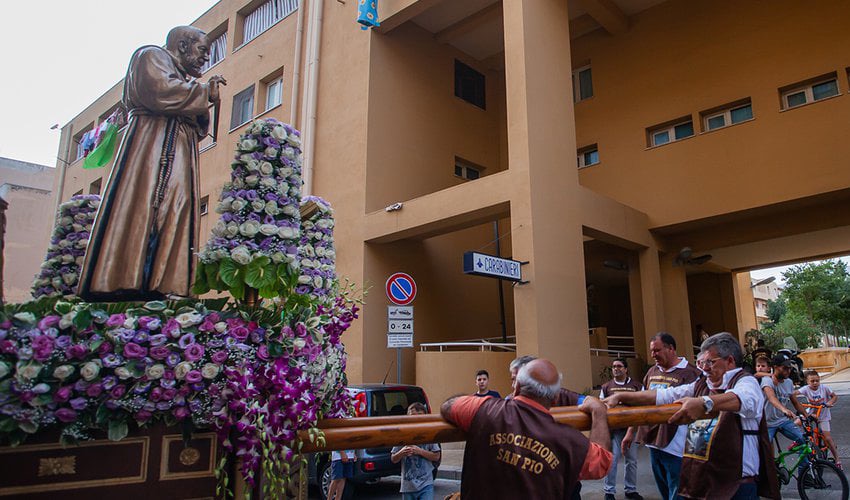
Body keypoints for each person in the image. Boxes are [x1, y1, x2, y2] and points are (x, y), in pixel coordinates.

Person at [78, 26, 227, 301]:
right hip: (151, 143)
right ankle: (123, 281)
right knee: (140, 204)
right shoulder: (150, 56)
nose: (205, 58)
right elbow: (158, 91)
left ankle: (168, 283)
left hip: (180, 148)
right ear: (183, 45)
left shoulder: (185, 80)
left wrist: (205, 98)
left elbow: (199, 123)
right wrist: (203, 93)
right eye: (203, 50)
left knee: (178, 207)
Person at [604, 333, 780, 500]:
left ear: (730, 361)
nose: (704, 369)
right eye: (701, 362)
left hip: (737, 486)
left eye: (710, 362)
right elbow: (663, 395)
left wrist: (704, 403)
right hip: (706, 480)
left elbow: (742, 399)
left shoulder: (746, 382)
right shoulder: (702, 384)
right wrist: (621, 396)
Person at [442, 358, 612, 499]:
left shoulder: (485, 409)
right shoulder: (570, 441)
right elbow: (602, 462)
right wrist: (599, 411)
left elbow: (448, 406)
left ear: (517, 388)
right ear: (554, 399)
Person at [621, 333, 701, 500]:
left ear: (671, 349)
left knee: (678, 492)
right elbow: (641, 403)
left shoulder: (691, 373)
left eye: (657, 350)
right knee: (664, 491)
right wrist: (630, 432)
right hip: (653, 442)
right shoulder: (652, 371)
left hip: (677, 446)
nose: (653, 355)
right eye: (651, 351)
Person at [600, 358, 644, 500]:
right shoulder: (606, 387)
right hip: (614, 430)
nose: (616, 369)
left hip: (632, 429)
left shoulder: (637, 386)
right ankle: (609, 491)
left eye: (619, 366)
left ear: (626, 369)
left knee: (631, 460)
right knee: (612, 460)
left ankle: (630, 490)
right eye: (613, 366)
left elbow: (642, 406)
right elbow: (601, 406)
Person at [391, 402, 442, 499]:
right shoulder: (402, 434)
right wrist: (402, 452)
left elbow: (436, 456)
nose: (416, 420)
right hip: (407, 486)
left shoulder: (429, 433)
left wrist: (420, 451)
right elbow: (393, 458)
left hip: (426, 484)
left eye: (419, 417)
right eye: (412, 416)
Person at [796, 369, 840, 468]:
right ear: (807, 382)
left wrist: (829, 403)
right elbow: (794, 394)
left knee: (828, 438)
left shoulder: (824, 388)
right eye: (812, 381)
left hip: (823, 415)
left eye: (817, 380)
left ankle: (837, 459)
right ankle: (799, 440)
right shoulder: (806, 389)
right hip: (811, 413)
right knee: (796, 423)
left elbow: (834, 396)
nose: (815, 383)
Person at [761, 353, 807, 443]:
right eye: (785, 368)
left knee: (802, 439)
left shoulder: (789, 382)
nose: (788, 371)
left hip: (783, 421)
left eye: (789, 368)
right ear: (775, 367)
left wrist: (806, 414)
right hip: (767, 423)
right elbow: (771, 398)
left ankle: (803, 457)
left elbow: (795, 402)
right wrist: (784, 409)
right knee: (764, 448)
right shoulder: (767, 380)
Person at [508, 355, 584, 406]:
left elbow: (588, 402)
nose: (513, 385)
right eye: (514, 380)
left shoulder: (564, 396)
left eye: (520, 380)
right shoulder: (509, 401)